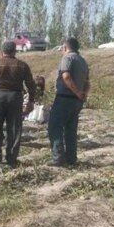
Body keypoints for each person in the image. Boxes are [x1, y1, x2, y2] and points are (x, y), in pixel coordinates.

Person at [0, 41, 36, 166]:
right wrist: (31, 101)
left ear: (1, 52)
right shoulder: (22, 65)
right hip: (15, 97)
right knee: (14, 128)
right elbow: (31, 85)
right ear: (14, 51)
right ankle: (11, 158)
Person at [47, 37, 90, 167]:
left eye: (62, 49)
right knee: (71, 129)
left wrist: (76, 92)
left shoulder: (67, 58)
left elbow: (66, 76)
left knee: (55, 126)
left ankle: (58, 157)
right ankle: (71, 158)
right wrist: (83, 95)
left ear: (65, 48)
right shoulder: (83, 61)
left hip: (65, 98)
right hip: (77, 101)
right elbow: (87, 83)